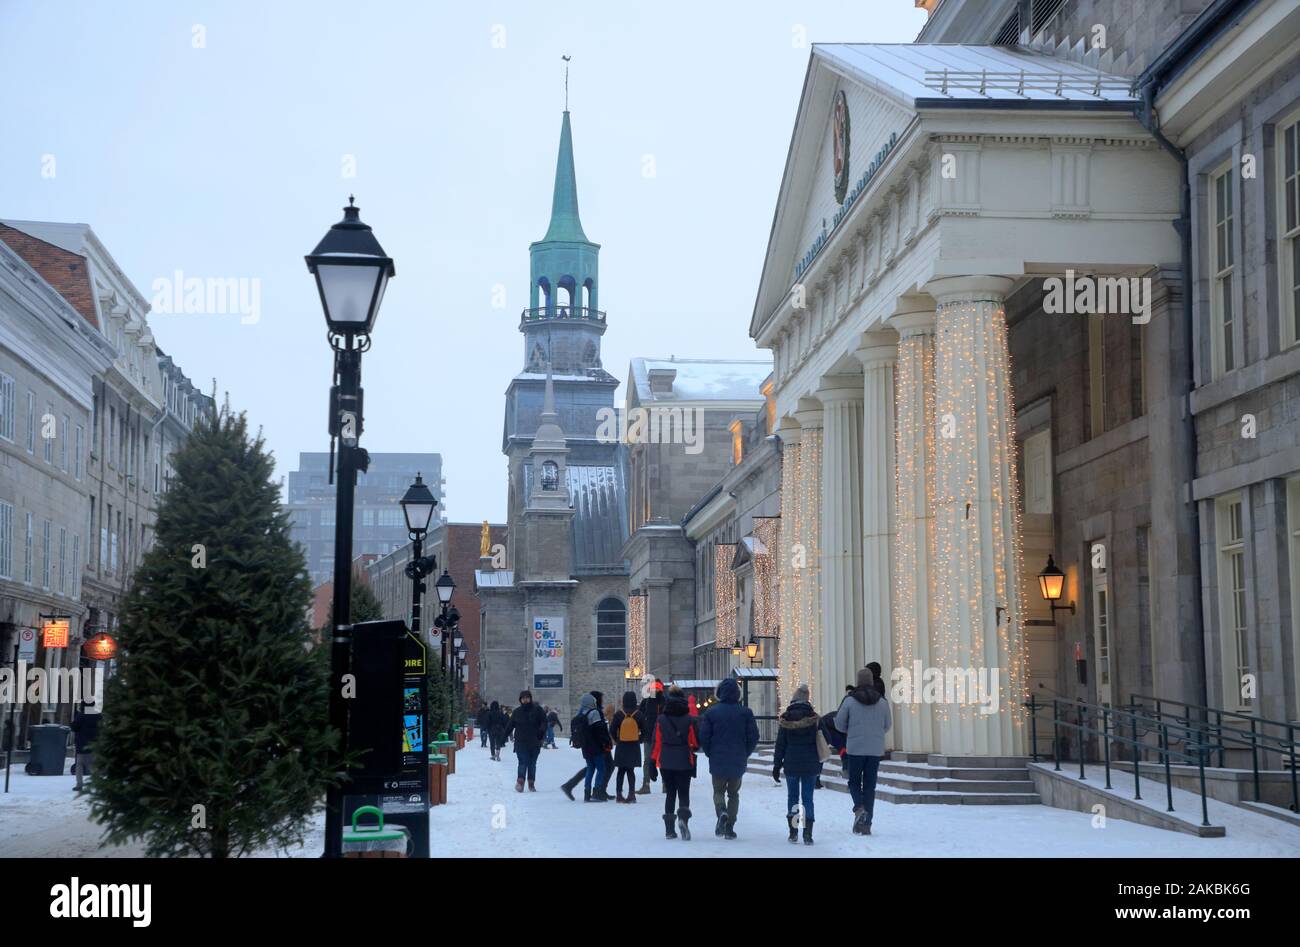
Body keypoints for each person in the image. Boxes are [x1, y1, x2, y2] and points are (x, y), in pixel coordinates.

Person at [697, 677, 758, 839]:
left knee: (718, 791)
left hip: (717, 757)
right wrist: (746, 752)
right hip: (738, 758)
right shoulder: (746, 712)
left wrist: (710, 752)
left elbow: (704, 736)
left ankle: (721, 811)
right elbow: (753, 736)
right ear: (737, 694)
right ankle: (730, 826)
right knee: (734, 793)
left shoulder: (711, 712)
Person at [835, 667, 893, 836]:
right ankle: (866, 825)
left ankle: (859, 808)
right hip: (875, 749)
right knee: (869, 786)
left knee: (853, 782)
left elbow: (839, 723)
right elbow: (887, 725)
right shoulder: (882, 701)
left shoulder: (850, 700)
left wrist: (849, 730)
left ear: (859, 681)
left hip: (855, 747)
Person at [773, 685, 820, 845]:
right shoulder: (813, 718)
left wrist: (777, 765)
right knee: (808, 798)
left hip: (791, 763)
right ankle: (808, 834)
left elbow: (781, 745)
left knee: (793, 797)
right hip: (810, 764)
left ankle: (793, 832)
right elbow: (821, 740)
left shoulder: (786, 718)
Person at [650, 685, 698, 840]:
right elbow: (694, 741)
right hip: (684, 759)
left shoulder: (661, 719)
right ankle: (683, 819)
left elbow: (657, 742)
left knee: (670, 793)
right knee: (684, 792)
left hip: (666, 760)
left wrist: (652, 763)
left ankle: (669, 830)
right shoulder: (688, 719)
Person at [506, 689, 547, 792]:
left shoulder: (537, 710)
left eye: (527, 698)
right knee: (522, 762)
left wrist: (541, 732)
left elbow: (544, 722)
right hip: (521, 742)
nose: (525, 700)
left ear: (530, 698)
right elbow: (510, 726)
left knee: (532, 763)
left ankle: (531, 783)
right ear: (520, 700)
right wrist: (503, 737)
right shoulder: (517, 712)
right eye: (523, 698)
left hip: (534, 741)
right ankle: (520, 782)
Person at [609, 691, 645, 803]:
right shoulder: (639, 714)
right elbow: (645, 730)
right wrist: (639, 739)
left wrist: (617, 739)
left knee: (620, 771)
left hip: (622, 745)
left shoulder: (619, 714)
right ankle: (631, 794)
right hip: (633, 745)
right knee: (630, 771)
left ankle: (619, 794)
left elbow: (612, 729)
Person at [635, 679, 664, 795]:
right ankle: (662, 785)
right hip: (654, 735)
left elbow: (639, 716)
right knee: (656, 760)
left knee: (649, 760)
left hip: (652, 735)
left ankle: (647, 785)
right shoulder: (663, 701)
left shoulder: (647, 701)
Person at [70, 703, 101, 793]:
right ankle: (97, 784)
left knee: (79, 765)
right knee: (94, 765)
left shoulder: (81, 715)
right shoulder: (98, 715)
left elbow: (74, 727)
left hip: (82, 744)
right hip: (95, 744)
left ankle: (79, 785)